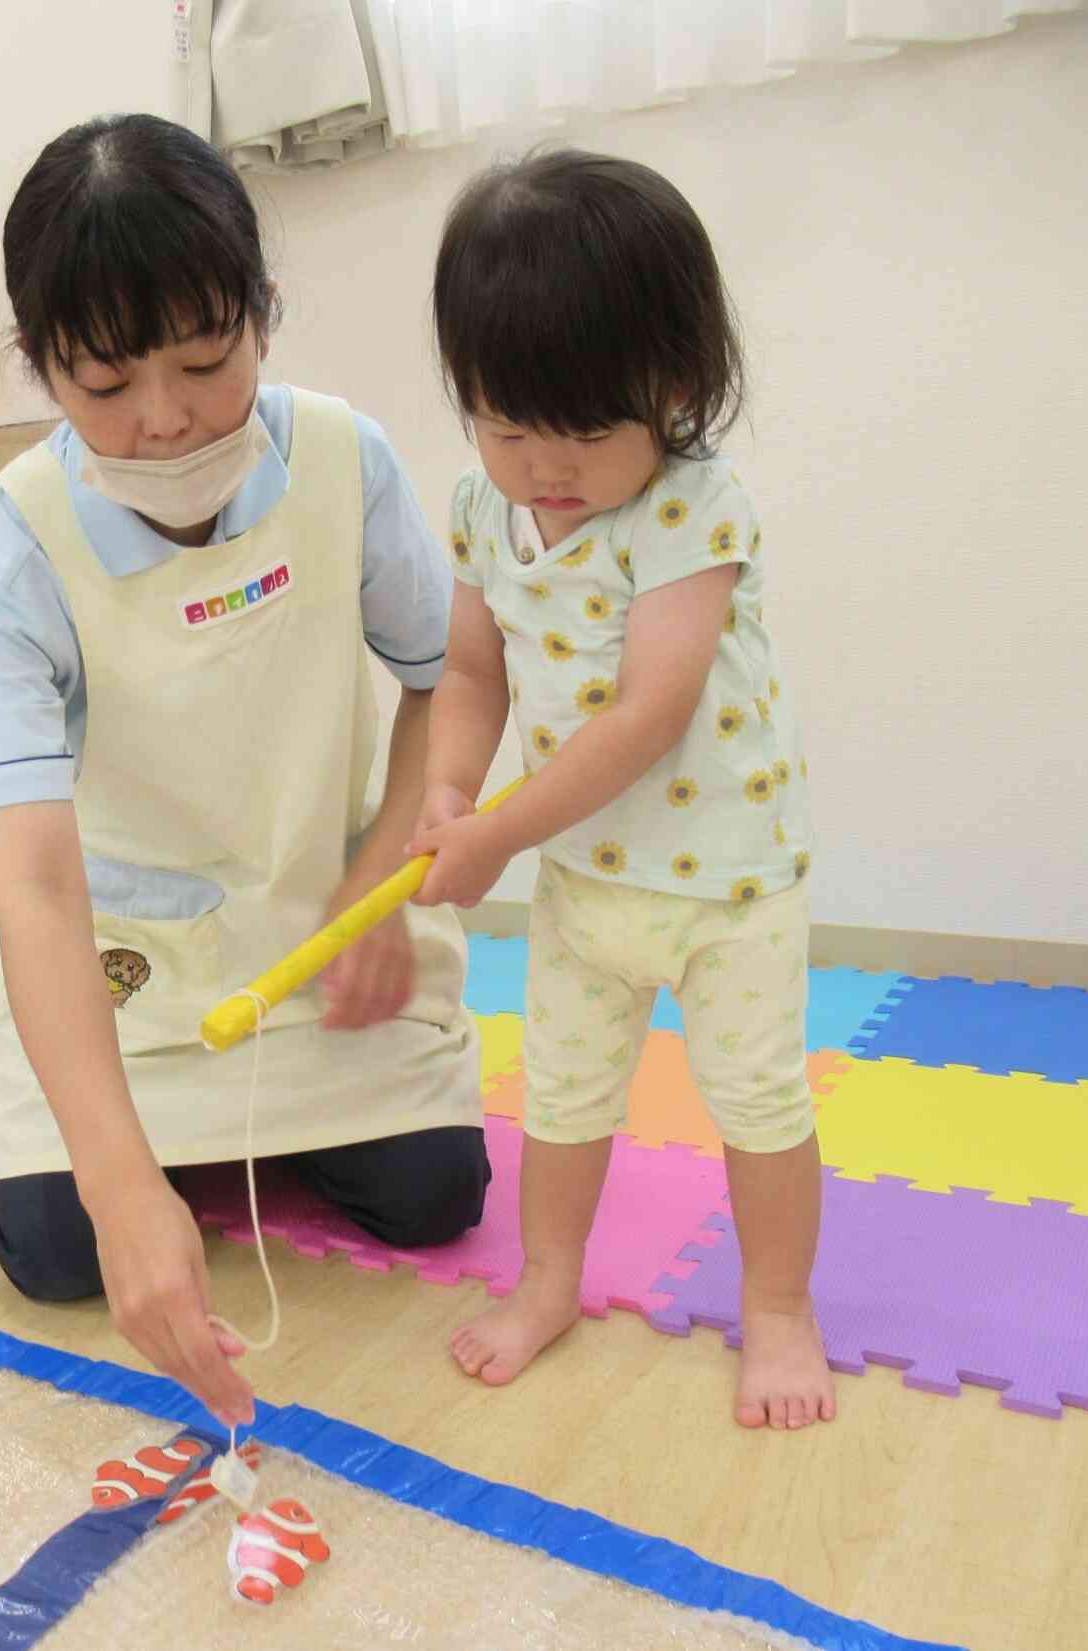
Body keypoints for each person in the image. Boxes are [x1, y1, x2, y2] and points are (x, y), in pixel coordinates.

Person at [0, 113, 489, 1427]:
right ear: (39, 367)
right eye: (106, 386)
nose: (167, 420)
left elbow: (443, 677)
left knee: (434, 1196)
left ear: (262, 317)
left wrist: (377, 887)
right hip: (119, 971)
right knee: (66, 1249)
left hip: (317, 933)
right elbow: (38, 886)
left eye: (203, 359)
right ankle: (160, 1156)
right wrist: (123, 1186)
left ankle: (246, 1140)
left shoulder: (345, 460)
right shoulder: (0, 560)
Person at [410, 152, 834, 1430]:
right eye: (503, 423)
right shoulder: (485, 510)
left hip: (726, 881)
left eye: (585, 430)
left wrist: (492, 833)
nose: (542, 463)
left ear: (676, 388)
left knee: (757, 1101)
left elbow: (647, 716)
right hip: (583, 879)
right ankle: (546, 1283)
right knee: (562, 1095)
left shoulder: (691, 511)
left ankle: (776, 1308)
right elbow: (471, 675)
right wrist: (445, 789)